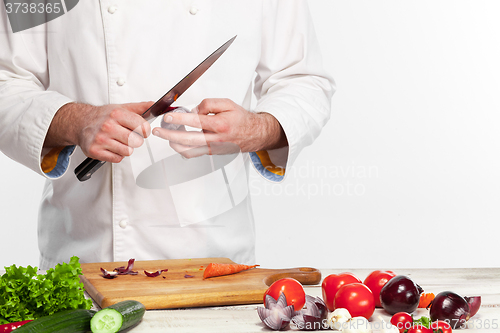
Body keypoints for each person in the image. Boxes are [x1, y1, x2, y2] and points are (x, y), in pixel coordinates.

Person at [0, 1, 334, 269]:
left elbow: (302, 79)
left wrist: (256, 129)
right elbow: (5, 82)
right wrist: (76, 120)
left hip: (214, 259)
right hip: (87, 253)